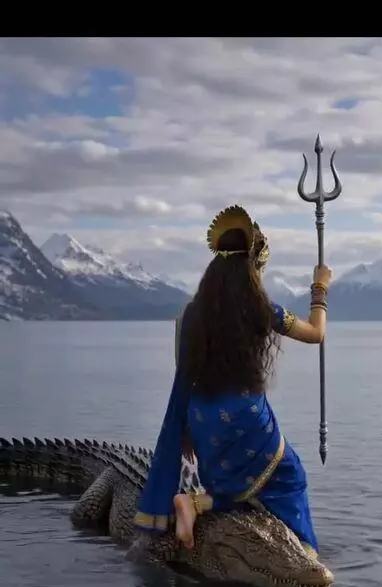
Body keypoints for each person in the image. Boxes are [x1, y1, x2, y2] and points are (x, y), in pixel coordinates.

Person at [133, 204, 332, 560]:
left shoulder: (190, 314)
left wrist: (185, 431)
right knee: (291, 477)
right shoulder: (262, 308)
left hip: (201, 420)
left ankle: (195, 503)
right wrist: (320, 287)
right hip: (244, 418)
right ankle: (304, 555)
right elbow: (316, 333)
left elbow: (184, 375)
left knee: (231, 482)